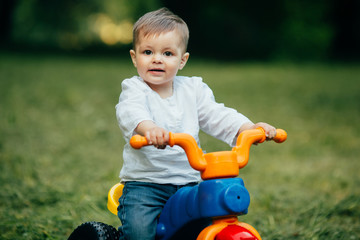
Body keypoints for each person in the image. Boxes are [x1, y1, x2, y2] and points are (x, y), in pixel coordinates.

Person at [115, 7, 277, 240]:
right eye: (148, 52)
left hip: (191, 181)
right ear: (134, 57)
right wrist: (149, 129)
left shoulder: (193, 89)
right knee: (140, 234)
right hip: (147, 185)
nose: (157, 59)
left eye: (168, 54)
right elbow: (131, 111)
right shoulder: (135, 88)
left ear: (182, 60)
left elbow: (216, 114)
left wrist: (247, 128)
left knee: (203, 227)